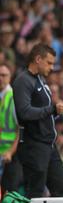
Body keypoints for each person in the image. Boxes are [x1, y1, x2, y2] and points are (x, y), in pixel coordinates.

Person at [13, 44, 63, 198]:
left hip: (49, 145)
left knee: (61, 190)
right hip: (34, 145)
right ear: (38, 59)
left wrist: (60, 112)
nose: (52, 67)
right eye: (49, 63)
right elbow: (24, 112)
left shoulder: (40, 80)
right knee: (35, 193)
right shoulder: (23, 80)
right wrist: (53, 109)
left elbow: (42, 114)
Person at [0, 64, 22, 195]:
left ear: (10, 77)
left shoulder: (14, 98)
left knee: (8, 193)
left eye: (4, 75)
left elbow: (20, 130)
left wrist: (10, 152)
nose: (0, 78)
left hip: (9, 155)